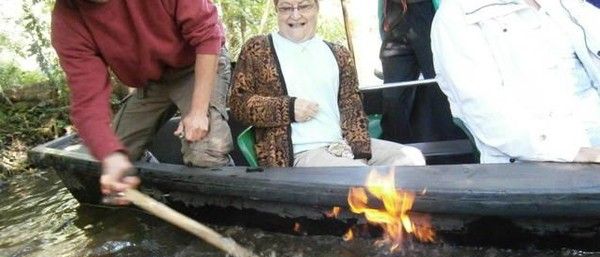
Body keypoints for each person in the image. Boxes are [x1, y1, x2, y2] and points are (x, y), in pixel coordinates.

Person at [51, 0, 234, 202]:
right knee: (114, 152)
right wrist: (112, 158)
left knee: (205, 153)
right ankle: (164, 198)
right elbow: (88, 101)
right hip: (153, 80)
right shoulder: (68, 21)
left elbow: (208, 35)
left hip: (197, 63)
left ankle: (233, 213)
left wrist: (198, 112)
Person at [229, 0, 425, 168]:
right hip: (300, 154)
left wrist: (361, 153)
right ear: (276, 10)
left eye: (303, 6)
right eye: (286, 8)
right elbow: (238, 103)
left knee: (411, 159)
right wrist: (287, 108)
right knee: (361, 176)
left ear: (316, 7)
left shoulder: (338, 53)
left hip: (342, 145)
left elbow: (352, 108)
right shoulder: (258, 49)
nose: (295, 15)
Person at [431, 0, 600, 163]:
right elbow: (488, 116)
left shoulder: (567, 5)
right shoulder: (457, 15)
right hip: (539, 165)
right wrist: (573, 152)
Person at [378, 0, 460, 143]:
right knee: (393, 96)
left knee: (440, 87)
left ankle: (456, 154)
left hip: (428, 11)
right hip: (395, 12)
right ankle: (396, 153)